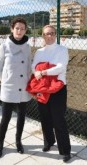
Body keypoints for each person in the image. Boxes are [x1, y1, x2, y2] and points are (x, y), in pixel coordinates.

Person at [31, 25, 71, 162]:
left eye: (52, 33)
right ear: (43, 35)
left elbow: (61, 67)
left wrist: (43, 72)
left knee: (58, 120)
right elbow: (33, 66)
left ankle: (65, 150)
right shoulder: (39, 52)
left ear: (55, 34)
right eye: (47, 34)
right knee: (45, 117)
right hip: (43, 88)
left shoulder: (62, 50)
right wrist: (37, 72)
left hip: (58, 89)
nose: (50, 36)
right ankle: (48, 142)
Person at [0, 17, 31, 158]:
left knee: (21, 117)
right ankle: (0, 143)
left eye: (22, 29)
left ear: (25, 30)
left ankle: (18, 141)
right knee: (5, 118)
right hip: (9, 88)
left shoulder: (27, 47)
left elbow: (28, 66)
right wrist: (6, 81)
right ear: (12, 29)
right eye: (17, 28)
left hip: (23, 88)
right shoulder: (4, 46)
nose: (19, 31)